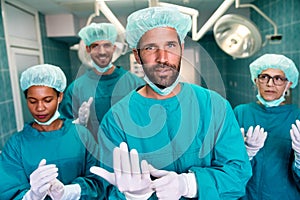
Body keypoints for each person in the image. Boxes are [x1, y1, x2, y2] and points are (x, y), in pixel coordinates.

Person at [90, 6, 252, 199]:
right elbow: (107, 189)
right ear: (136, 55)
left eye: (170, 46)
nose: (163, 58)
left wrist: (189, 184)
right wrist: (134, 196)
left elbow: (238, 174)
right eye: (150, 48)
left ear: (182, 48)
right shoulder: (117, 120)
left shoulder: (214, 106)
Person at [0, 64, 102, 199]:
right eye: (32, 101)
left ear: (59, 97)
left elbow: (100, 182)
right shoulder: (16, 145)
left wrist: (70, 192)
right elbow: (7, 192)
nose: (40, 108)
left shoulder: (82, 135)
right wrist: (32, 196)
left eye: (47, 100)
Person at [59, 23, 144, 140]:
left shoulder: (134, 83)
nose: (102, 52)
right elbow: (64, 127)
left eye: (107, 45)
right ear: (88, 49)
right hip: (92, 153)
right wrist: (78, 124)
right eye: (95, 46)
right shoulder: (76, 89)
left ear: (114, 48)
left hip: (129, 151)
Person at [233, 54, 300, 199]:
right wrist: (244, 154)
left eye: (278, 79)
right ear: (256, 80)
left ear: (288, 84)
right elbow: (224, 162)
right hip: (246, 195)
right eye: (264, 77)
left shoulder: (297, 117)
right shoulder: (241, 112)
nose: (270, 84)